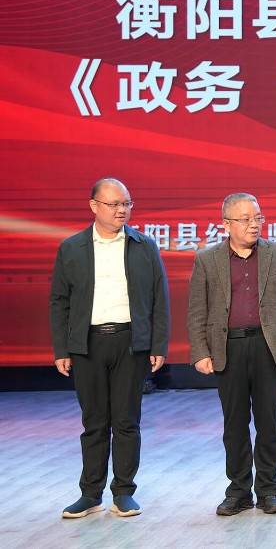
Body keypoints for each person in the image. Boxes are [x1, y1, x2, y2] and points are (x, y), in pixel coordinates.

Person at [49, 178, 170, 519]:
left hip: (130, 342)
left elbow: (159, 298)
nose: (122, 210)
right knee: (94, 422)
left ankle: (124, 492)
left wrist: (158, 343)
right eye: (114, 204)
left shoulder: (144, 246)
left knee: (127, 421)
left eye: (127, 204)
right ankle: (90, 494)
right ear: (94, 206)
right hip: (86, 344)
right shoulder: (72, 248)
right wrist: (62, 349)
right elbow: (59, 301)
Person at [186, 193, 276, 516]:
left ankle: (269, 490)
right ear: (226, 224)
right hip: (228, 348)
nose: (254, 224)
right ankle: (238, 491)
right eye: (246, 219)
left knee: (269, 422)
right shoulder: (207, 260)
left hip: (268, 346)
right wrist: (200, 351)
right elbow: (197, 310)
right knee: (235, 424)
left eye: (258, 218)